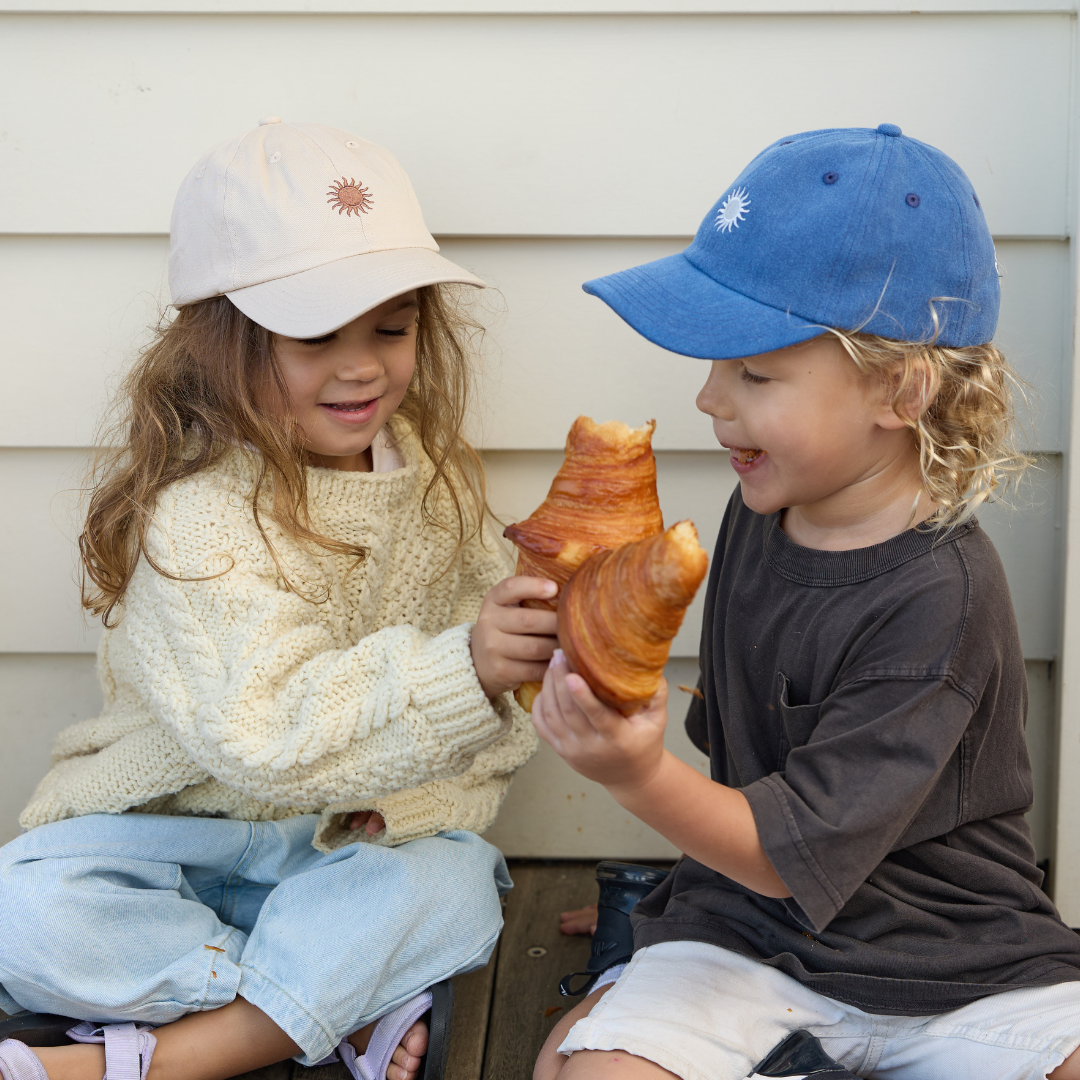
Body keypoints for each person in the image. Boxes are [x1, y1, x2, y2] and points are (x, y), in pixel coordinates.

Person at [0, 119, 560, 1080]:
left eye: (392, 327)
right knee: (30, 915)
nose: (362, 367)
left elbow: (504, 719)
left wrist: (428, 795)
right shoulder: (195, 514)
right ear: (221, 343)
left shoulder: (434, 488)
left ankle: (161, 1054)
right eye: (313, 336)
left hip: (335, 852)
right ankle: (319, 1012)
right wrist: (463, 666)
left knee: (456, 882)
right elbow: (262, 734)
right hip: (164, 836)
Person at [531, 124, 1080, 1080]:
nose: (711, 399)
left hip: (954, 961)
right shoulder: (762, 511)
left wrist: (635, 778)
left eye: (754, 372)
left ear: (899, 390)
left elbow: (789, 850)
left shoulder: (941, 596)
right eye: (715, 367)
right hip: (746, 934)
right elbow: (748, 809)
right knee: (584, 1067)